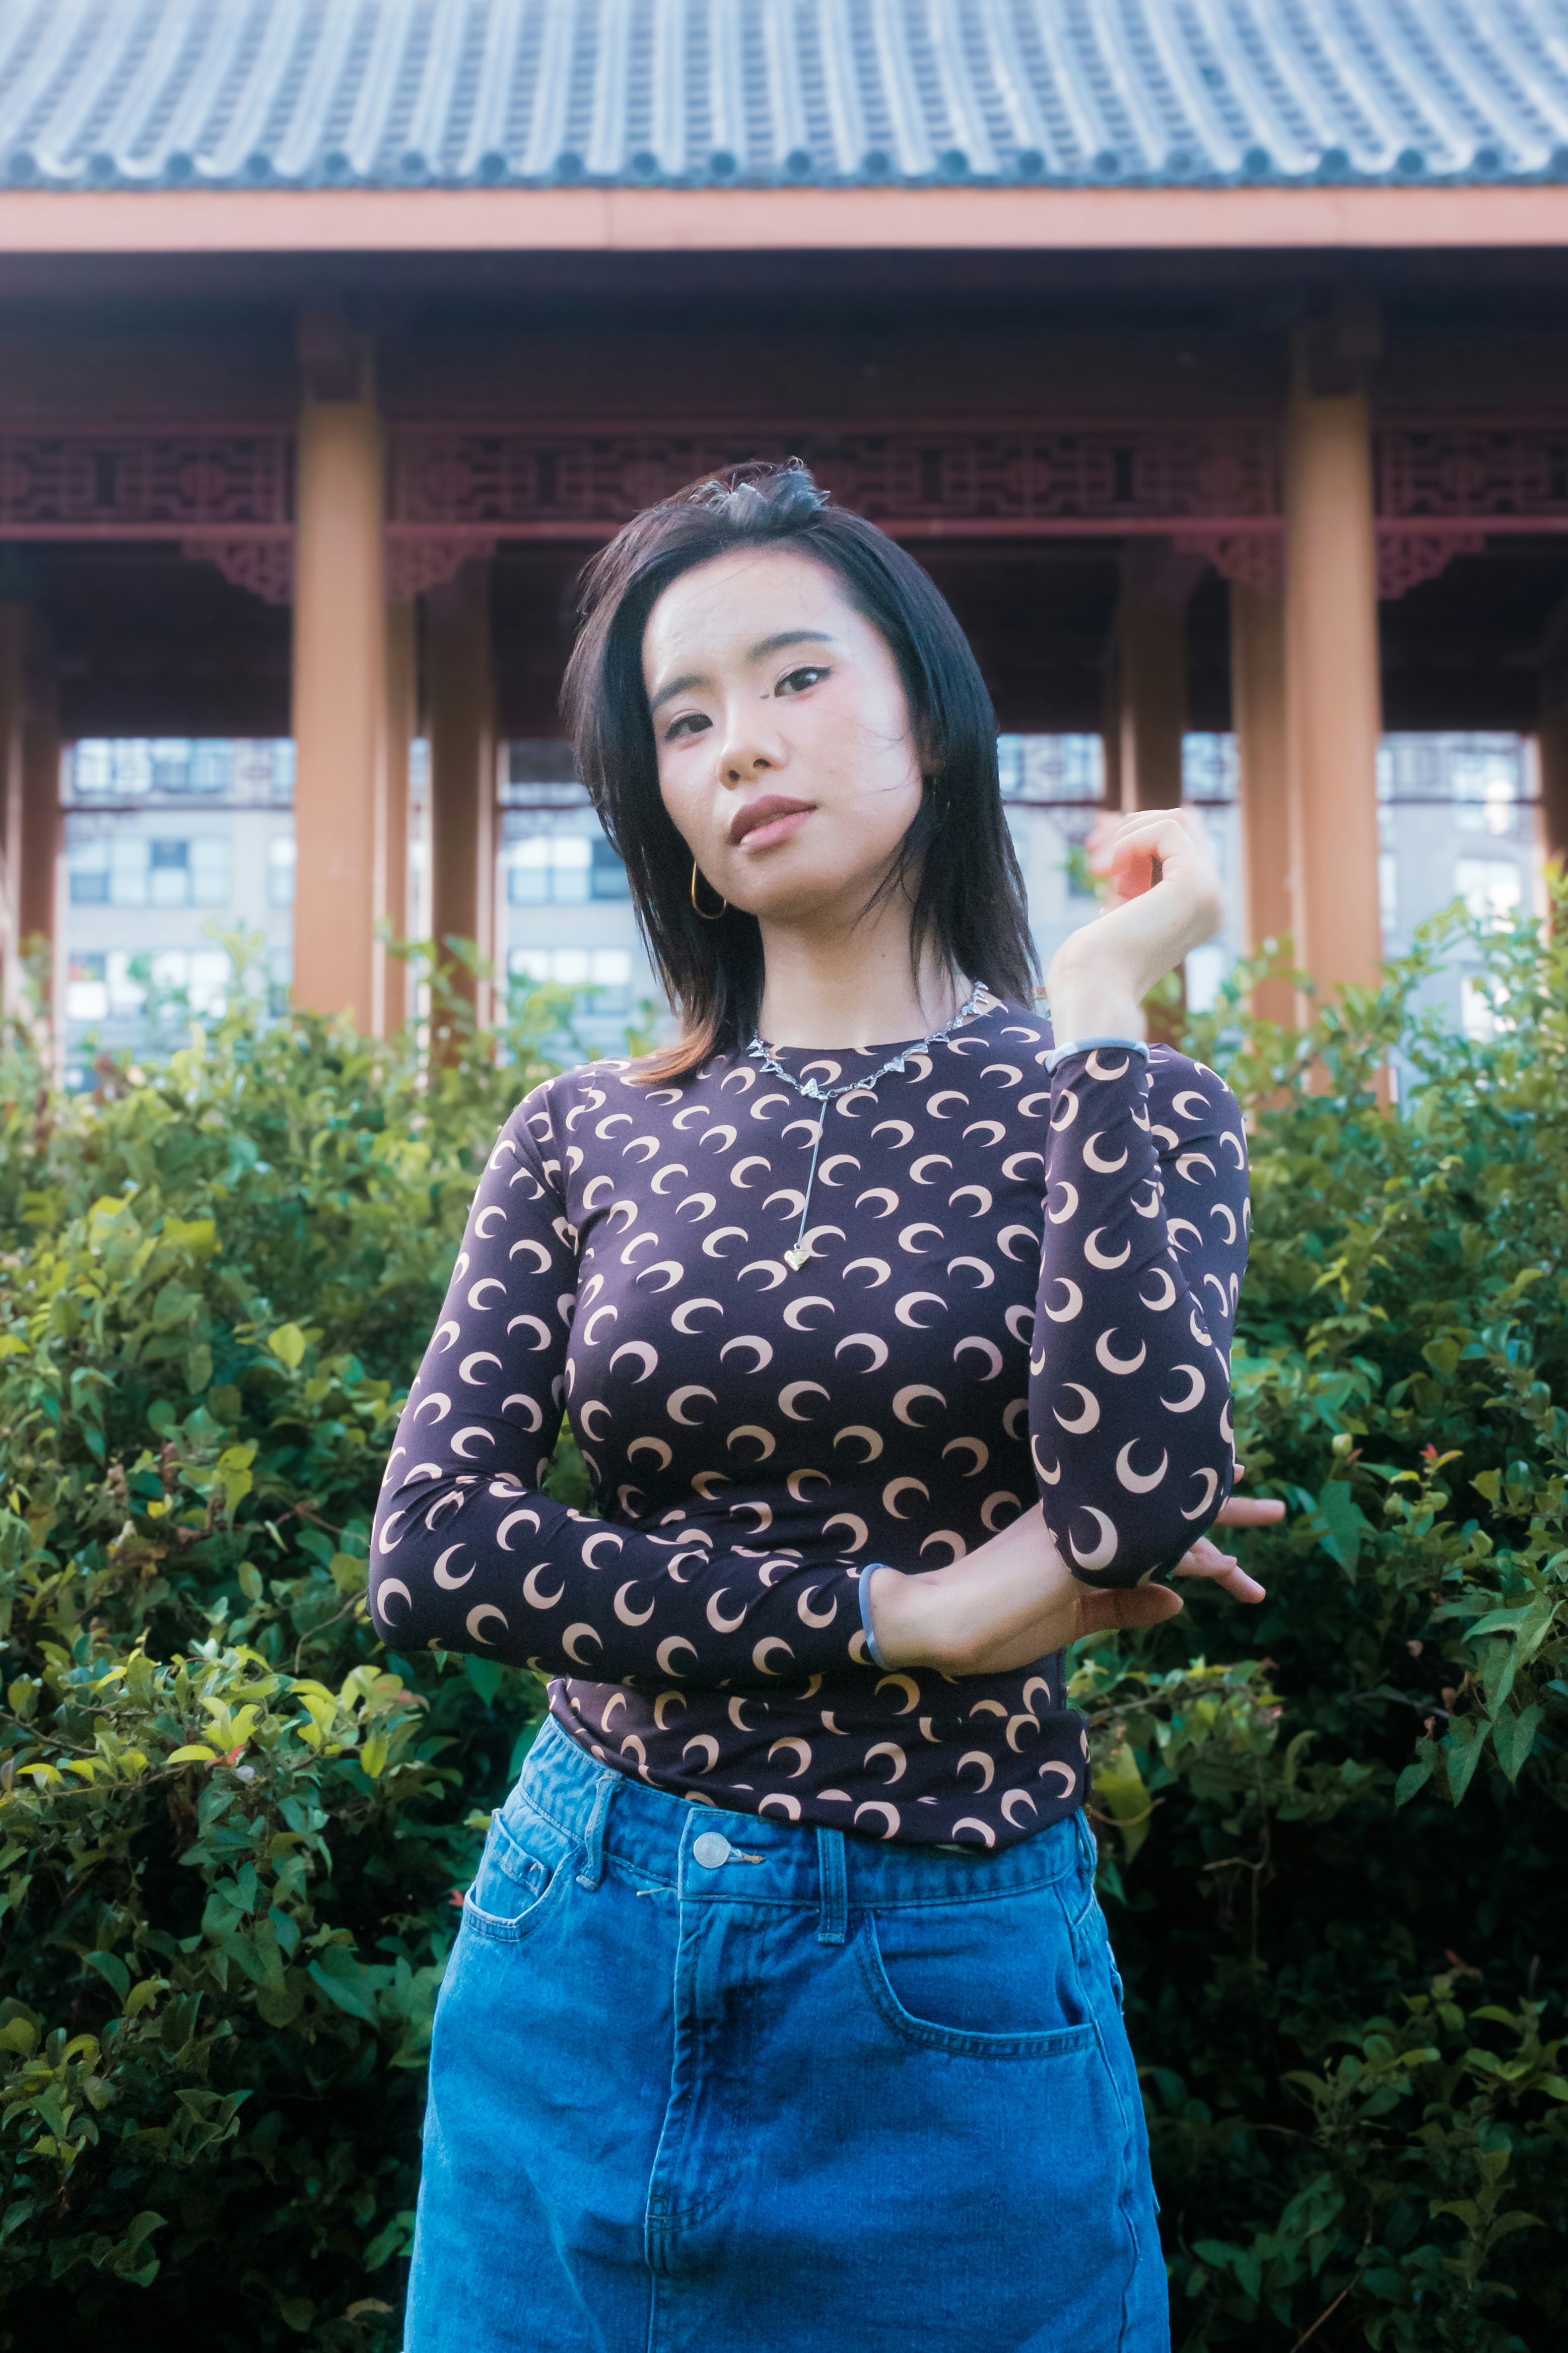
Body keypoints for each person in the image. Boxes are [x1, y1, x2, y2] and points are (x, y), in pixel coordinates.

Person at [371, 461, 1282, 2353]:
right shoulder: (586, 1129)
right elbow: (435, 1547)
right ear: (663, 812)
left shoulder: (1116, 1101)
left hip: (941, 1968)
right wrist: (917, 1614)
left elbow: (1120, 1509)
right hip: (578, 1931)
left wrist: (1103, 991)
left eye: (794, 681)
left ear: (931, 723)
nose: (737, 750)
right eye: (681, 721)